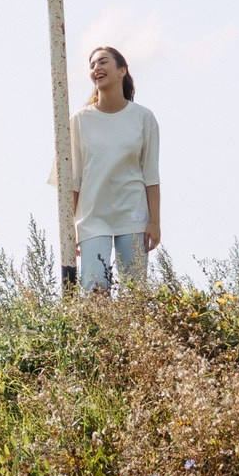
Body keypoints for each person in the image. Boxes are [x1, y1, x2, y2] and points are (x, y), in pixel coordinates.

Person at [64, 46, 160, 293]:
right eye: (92, 65)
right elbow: (72, 180)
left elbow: (151, 176)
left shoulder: (143, 118)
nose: (96, 68)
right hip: (93, 216)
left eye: (103, 62)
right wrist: (69, 227)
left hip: (133, 214)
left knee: (135, 292)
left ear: (121, 71)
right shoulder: (78, 121)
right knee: (94, 288)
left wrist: (155, 222)